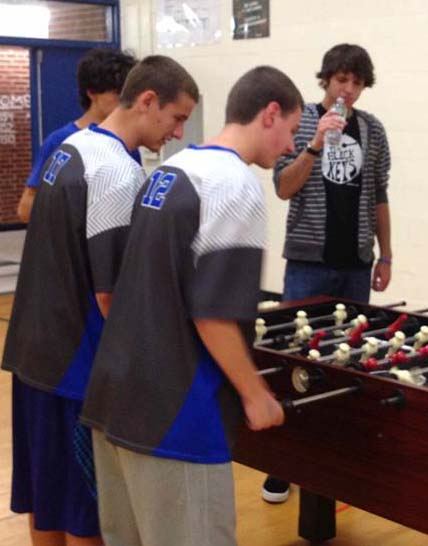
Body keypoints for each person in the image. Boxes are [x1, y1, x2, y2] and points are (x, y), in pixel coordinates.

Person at [80, 65, 300, 546]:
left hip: (114, 401)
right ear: (269, 114)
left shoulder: (172, 170)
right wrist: (255, 394)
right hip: (174, 417)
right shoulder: (234, 185)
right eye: (291, 131)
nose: (290, 148)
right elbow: (214, 315)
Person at [1, 55, 197, 546]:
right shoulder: (116, 170)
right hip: (75, 371)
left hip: (32, 357)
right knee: (90, 514)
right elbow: (111, 295)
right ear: (147, 100)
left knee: (47, 503)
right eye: (176, 117)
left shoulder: (70, 146)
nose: (177, 133)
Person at [265, 42, 392, 503]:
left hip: (355, 263)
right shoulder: (300, 123)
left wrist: (387, 254)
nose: (349, 90)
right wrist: (316, 143)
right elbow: (283, 188)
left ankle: (338, 460)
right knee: (292, 361)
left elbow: (380, 194)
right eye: (342, 80)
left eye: (357, 83)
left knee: (348, 360)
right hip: (308, 263)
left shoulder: (373, 131)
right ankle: (281, 465)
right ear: (327, 80)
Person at [17, 47, 137, 222]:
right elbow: (26, 209)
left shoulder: (127, 144)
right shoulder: (60, 141)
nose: (123, 102)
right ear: (92, 93)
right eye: (117, 94)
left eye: (127, 95)